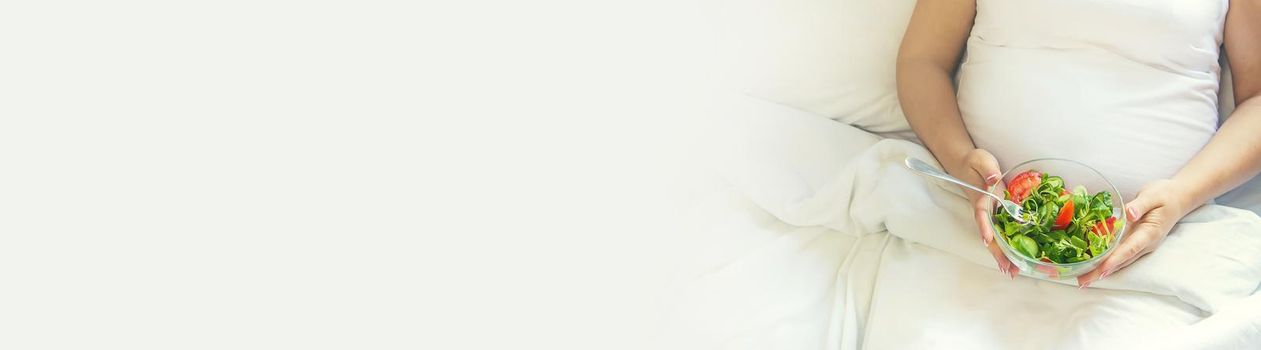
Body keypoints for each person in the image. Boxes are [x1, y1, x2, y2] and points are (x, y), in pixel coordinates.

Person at [896, 0, 1261, 287]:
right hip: (969, 230)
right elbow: (922, 61)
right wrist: (959, 160)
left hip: (1165, 252)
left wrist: (1182, 195)